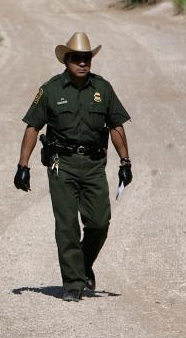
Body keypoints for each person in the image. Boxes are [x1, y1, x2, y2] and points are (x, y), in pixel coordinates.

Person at [13, 32, 132, 302]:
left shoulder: (103, 88)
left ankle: (82, 264)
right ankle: (73, 283)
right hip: (61, 164)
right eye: (77, 58)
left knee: (100, 222)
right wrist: (23, 165)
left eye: (86, 58)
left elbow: (116, 126)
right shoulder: (51, 89)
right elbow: (33, 126)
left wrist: (125, 161)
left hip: (93, 164)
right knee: (67, 224)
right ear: (66, 60)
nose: (82, 63)